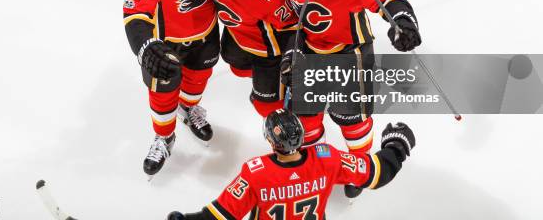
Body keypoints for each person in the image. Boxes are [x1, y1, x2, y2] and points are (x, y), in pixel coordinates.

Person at [171, 0, 422, 196]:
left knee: (350, 117)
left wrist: (404, 23)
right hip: (307, 47)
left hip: (348, 51)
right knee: (305, 117)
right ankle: (318, 167)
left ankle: (358, 166)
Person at [166, 109, 415, 220]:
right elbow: (377, 173)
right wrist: (397, 147)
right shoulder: (327, 158)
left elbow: (221, 215)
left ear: (270, 141)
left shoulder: (256, 172)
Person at [124, 0, 220, 177]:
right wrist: (145, 47)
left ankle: (189, 109)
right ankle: (164, 137)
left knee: (198, 79)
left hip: (207, 33)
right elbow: (134, 15)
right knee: (163, 91)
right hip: (168, 44)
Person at [206, 0, 324, 145]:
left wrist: (292, 56)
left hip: (270, 51)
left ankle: (307, 142)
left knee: (277, 108)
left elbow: (292, 28)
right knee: (237, 66)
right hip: (242, 36)